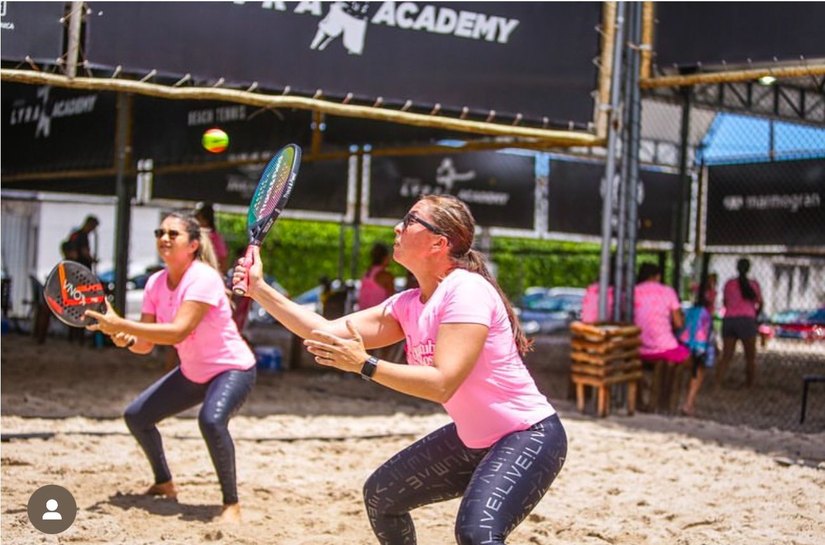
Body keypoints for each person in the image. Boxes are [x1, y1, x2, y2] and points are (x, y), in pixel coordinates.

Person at [233, 194, 567, 545]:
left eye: (409, 221)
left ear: (439, 242)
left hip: (528, 436)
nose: (397, 227)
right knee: (382, 497)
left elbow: (441, 384)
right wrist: (259, 289)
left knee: (477, 534)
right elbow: (324, 330)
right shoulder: (407, 304)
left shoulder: (466, 291)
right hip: (475, 439)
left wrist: (364, 364)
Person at [85, 212, 256, 523]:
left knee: (211, 421)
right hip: (194, 372)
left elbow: (177, 331)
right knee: (137, 417)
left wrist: (123, 324)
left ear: (192, 245)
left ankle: (231, 503)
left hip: (232, 369)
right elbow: (144, 345)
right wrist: (120, 336)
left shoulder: (202, 278)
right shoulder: (155, 283)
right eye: (159, 232)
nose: (164, 238)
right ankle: (164, 483)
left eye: (172, 234)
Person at [633, 263, 699, 413]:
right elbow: (678, 322)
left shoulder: (634, 291)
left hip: (637, 346)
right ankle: (687, 404)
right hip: (665, 348)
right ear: (658, 276)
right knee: (695, 363)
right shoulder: (667, 292)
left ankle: (644, 396)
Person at [715, 258, 763, 388]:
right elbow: (760, 303)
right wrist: (753, 315)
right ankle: (749, 384)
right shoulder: (754, 284)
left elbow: (725, 302)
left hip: (730, 319)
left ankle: (718, 383)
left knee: (726, 355)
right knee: (750, 357)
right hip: (747, 320)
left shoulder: (729, 283)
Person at [677, 283, 716, 416]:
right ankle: (689, 403)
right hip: (697, 351)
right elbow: (707, 341)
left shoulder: (687, 311)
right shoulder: (706, 315)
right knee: (698, 369)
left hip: (683, 347)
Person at [358, 243, 394, 311]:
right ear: (385, 257)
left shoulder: (366, 272)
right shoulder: (385, 275)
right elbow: (393, 299)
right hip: (377, 315)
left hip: (362, 314)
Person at [194, 202, 229, 272]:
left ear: (206, 221)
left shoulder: (214, 237)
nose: (195, 222)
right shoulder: (195, 235)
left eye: (198, 219)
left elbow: (223, 259)